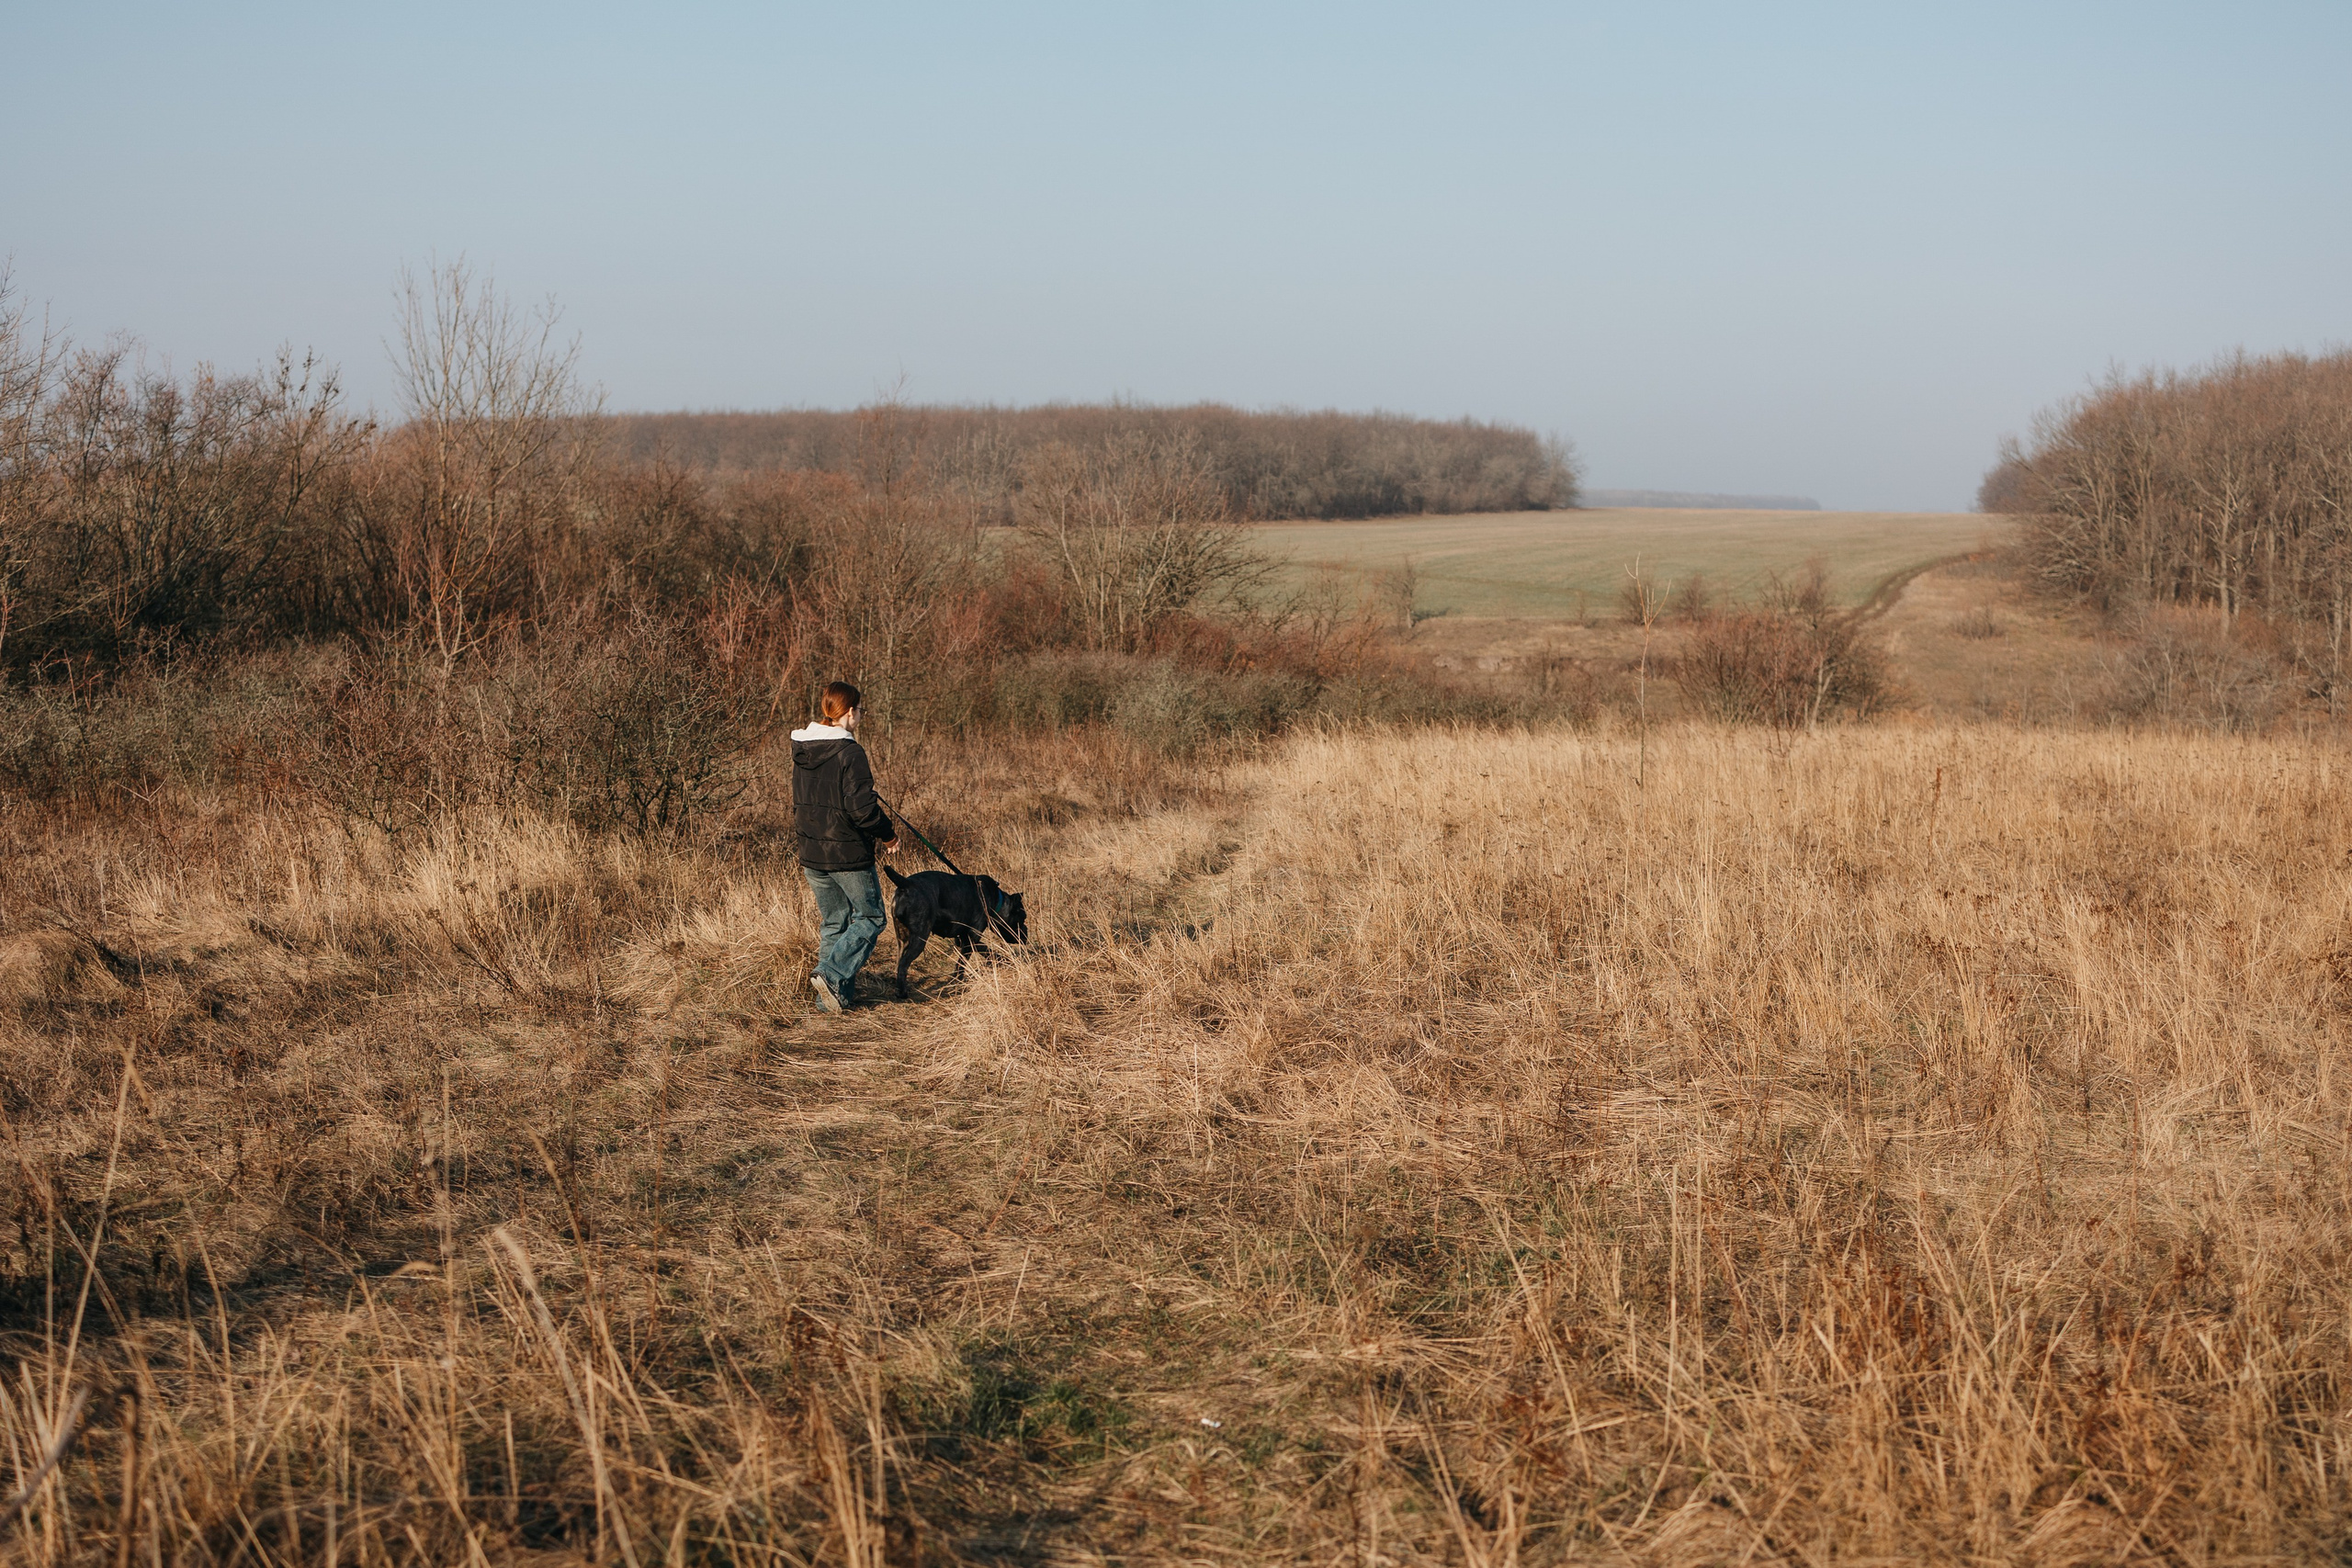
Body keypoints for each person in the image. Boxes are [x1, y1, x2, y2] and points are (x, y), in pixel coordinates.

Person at [791, 681, 899, 1012]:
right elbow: (862, 809)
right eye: (861, 711)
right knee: (871, 918)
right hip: (846, 853)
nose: (861, 717)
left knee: (835, 923)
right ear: (850, 712)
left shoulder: (802, 749)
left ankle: (833, 1003)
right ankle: (831, 972)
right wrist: (888, 834)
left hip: (812, 854)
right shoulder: (851, 752)